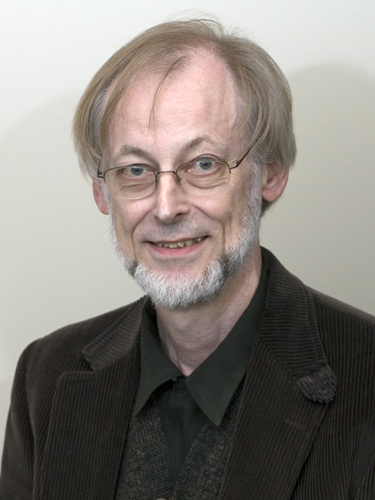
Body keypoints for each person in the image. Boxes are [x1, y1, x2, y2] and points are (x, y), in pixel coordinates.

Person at [1, 18, 375, 500]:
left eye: (203, 164)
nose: (166, 206)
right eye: (135, 170)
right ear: (102, 192)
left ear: (271, 173)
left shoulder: (366, 381)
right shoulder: (47, 377)